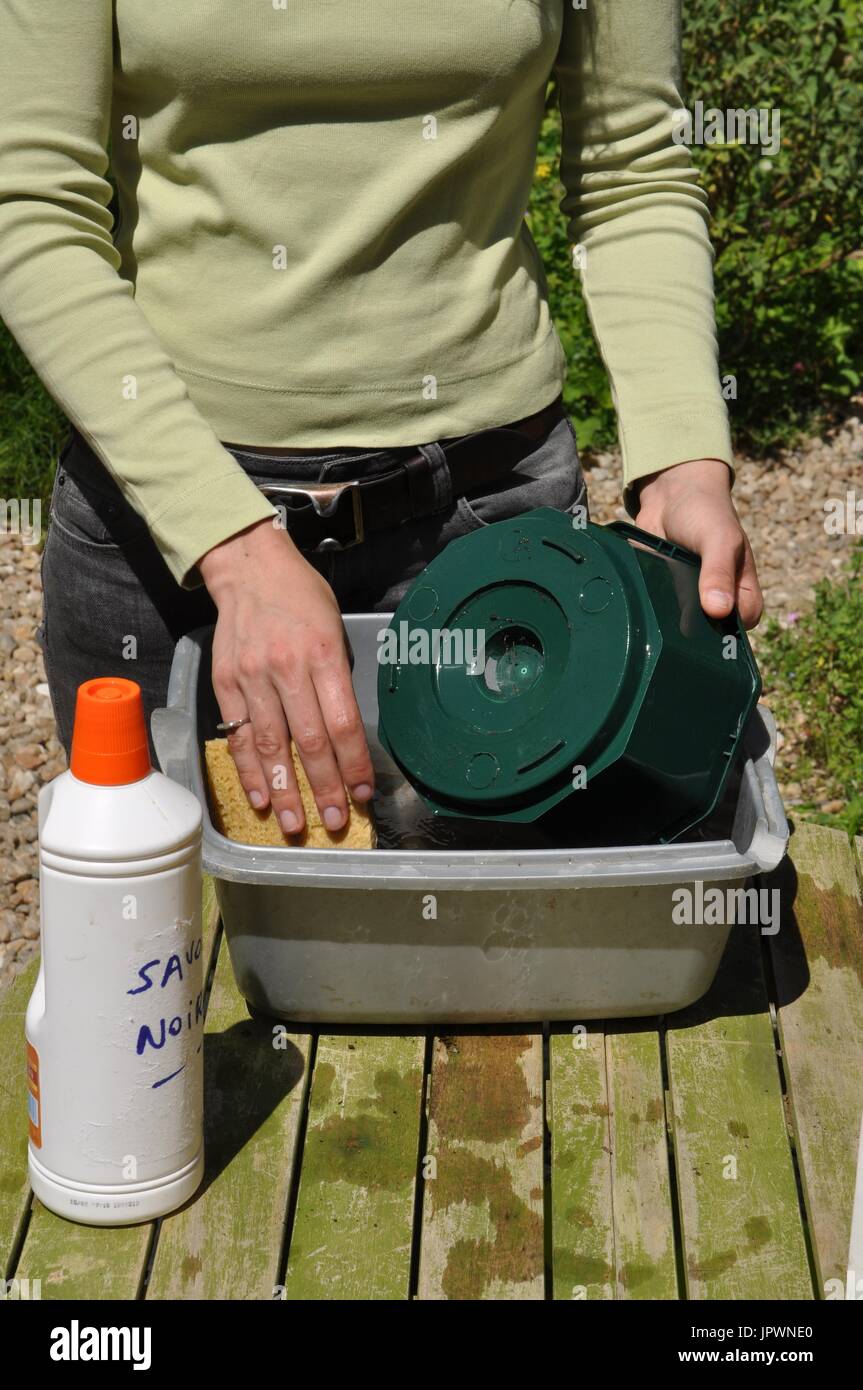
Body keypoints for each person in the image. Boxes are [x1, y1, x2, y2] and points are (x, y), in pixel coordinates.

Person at [0, 0, 761, 839]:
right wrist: (230, 544)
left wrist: (683, 461)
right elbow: (33, 206)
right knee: (163, 910)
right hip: (163, 526)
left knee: (517, 919)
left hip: (491, 522)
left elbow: (634, 172)